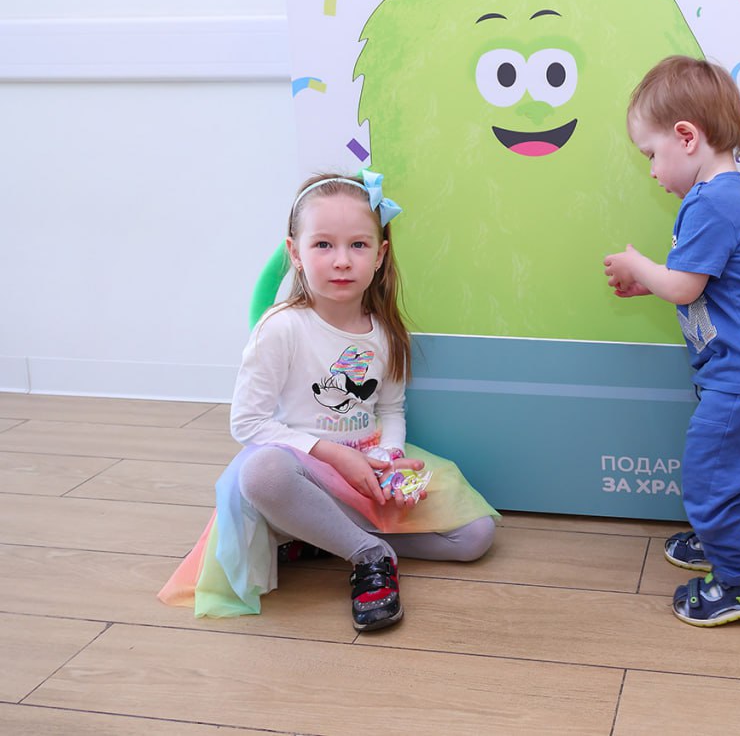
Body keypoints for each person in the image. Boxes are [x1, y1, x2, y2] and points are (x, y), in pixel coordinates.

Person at [160, 170, 498, 631]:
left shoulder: (385, 332)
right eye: (323, 245)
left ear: (380, 256)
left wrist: (387, 456)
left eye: (358, 246)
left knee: (476, 535)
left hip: (367, 463)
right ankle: (368, 554)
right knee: (261, 470)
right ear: (294, 253)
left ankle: (319, 539)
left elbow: (390, 410)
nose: (342, 261)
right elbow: (248, 425)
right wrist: (336, 457)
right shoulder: (281, 329)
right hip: (306, 470)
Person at [603, 56, 740, 627]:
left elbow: (682, 284)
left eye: (650, 155)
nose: (651, 171)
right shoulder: (730, 195)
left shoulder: (711, 200)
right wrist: (651, 286)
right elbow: (710, 288)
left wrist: (639, 266)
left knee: (709, 478)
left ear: (687, 137)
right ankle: (726, 545)